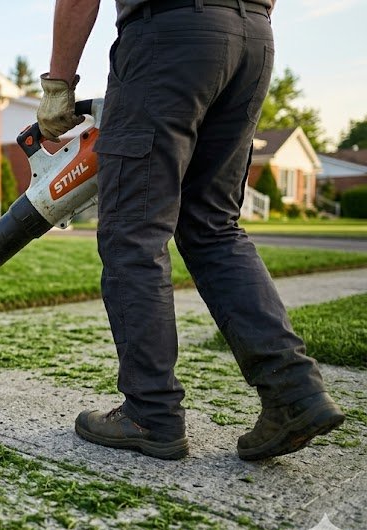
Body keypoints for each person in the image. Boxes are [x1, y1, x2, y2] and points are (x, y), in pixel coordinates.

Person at [36, 0, 345, 461]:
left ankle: (150, 412)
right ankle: (293, 391)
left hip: (168, 34)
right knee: (213, 226)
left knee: (134, 232)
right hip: (253, 39)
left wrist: (58, 84)